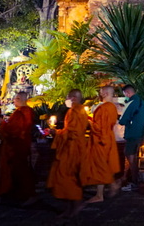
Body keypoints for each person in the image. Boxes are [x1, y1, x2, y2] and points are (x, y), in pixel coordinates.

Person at [47, 89, 88, 218]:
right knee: (64, 176)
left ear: (74, 98)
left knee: (70, 176)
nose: (67, 99)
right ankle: (69, 207)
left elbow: (74, 133)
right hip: (69, 146)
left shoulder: (76, 111)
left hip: (73, 148)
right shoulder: (74, 110)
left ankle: (77, 205)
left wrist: (57, 133)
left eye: (68, 97)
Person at [0, 92, 37, 206]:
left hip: (17, 146)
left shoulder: (23, 112)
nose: (13, 101)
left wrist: (2, 122)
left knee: (20, 171)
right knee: (11, 171)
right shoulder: (21, 112)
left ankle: (28, 195)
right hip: (13, 145)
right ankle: (9, 195)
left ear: (20, 99)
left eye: (15, 99)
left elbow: (15, 129)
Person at [82, 86, 121, 203]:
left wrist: (88, 121)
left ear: (104, 93)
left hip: (101, 140)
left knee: (100, 165)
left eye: (100, 92)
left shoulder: (104, 108)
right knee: (102, 165)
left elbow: (99, 128)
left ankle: (106, 190)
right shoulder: (112, 107)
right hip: (107, 138)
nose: (100, 94)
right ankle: (104, 190)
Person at [117, 84, 144, 191]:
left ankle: (134, 182)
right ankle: (135, 180)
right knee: (133, 157)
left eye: (125, 94)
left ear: (127, 93)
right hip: (139, 133)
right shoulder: (141, 101)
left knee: (130, 157)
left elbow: (122, 121)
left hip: (132, 134)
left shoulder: (131, 103)